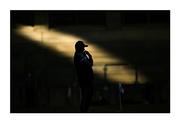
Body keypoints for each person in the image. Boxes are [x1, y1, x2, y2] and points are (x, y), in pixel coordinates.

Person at [74, 41, 94, 112]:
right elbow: (88, 65)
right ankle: (83, 112)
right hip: (84, 80)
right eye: (83, 47)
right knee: (85, 97)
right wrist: (89, 56)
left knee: (88, 96)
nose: (84, 49)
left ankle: (85, 111)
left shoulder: (82, 55)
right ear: (79, 48)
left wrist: (89, 56)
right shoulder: (78, 56)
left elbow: (90, 64)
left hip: (87, 79)